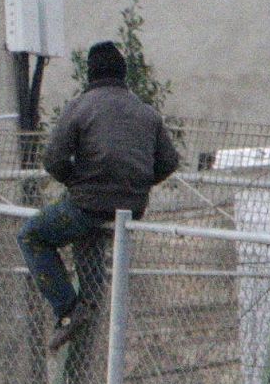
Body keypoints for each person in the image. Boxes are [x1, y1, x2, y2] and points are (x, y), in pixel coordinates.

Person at [20, 40, 180, 351]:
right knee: (87, 232)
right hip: (130, 208)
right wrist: (139, 184)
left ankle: (68, 310)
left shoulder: (80, 106)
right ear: (123, 75)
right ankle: (90, 304)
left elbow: (52, 160)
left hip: (88, 204)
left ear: (89, 75)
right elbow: (169, 162)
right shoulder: (146, 112)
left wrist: (77, 182)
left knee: (32, 235)